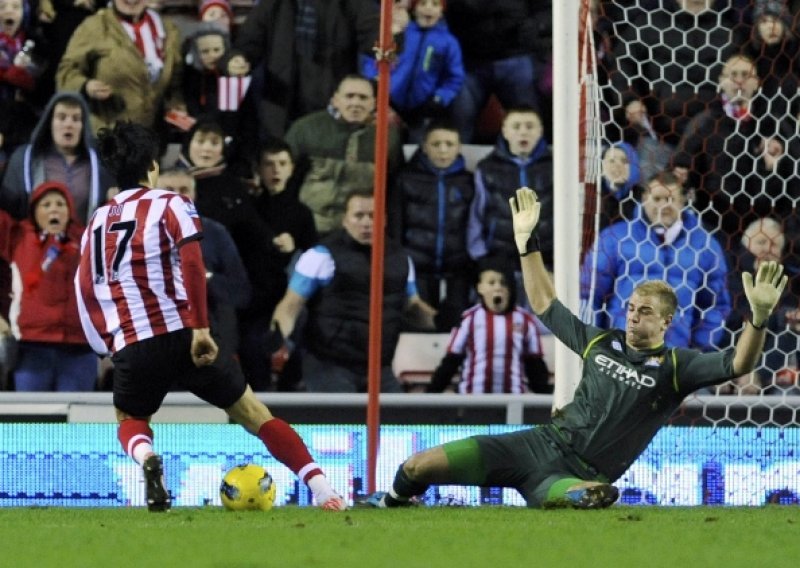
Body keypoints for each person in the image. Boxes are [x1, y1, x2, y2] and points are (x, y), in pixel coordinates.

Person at [366, 186, 787, 509]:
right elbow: (545, 304)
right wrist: (526, 245)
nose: (633, 314)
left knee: (585, 493)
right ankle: (391, 505)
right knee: (416, 466)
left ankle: (576, 496)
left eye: (644, 310)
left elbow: (738, 362)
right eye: (630, 307)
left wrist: (759, 320)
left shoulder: (678, 366)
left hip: (578, 472)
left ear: (666, 320)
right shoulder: (600, 341)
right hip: (534, 444)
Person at [74, 121, 347, 512]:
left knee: (131, 416)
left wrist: (104, 344)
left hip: (133, 340)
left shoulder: (97, 222)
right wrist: (201, 327)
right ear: (152, 166)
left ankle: (147, 458)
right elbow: (190, 261)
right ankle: (324, 490)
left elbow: (84, 286)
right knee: (253, 413)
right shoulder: (172, 203)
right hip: (185, 332)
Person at [268, 189, 437, 393]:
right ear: (345, 220)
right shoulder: (320, 256)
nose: (366, 222)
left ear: (383, 220)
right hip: (329, 365)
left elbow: (413, 306)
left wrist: (440, 319)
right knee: (342, 422)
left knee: (396, 423)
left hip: (379, 368)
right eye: (358, 216)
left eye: (373, 216)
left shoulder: (401, 259)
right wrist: (277, 335)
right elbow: (291, 306)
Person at [581, 171, 731, 352]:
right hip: (621, 353)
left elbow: (715, 306)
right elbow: (588, 295)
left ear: (683, 201)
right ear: (644, 198)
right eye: (657, 198)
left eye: (670, 199)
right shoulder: (615, 238)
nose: (663, 206)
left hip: (675, 358)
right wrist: (595, 345)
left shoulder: (705, 245)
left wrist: (700, 349)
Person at [671, 53, 800, 246]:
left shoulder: (775, 124)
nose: (739, 81)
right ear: (722, 81)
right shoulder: (704, 123)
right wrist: (680, 176)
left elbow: (794, 178)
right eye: (733, 75)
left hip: (765, 228)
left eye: (745, 75)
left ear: (756, 83)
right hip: (715, 227)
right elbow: (679, 168)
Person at [228, 0, 382, 139]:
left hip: (331, 105)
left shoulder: (352, 4)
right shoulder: (274, 4)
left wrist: (392, 37)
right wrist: (236, 59)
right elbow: (247, 44)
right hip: (281, 108)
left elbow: (376, 42)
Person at [0, 180, 97, 391]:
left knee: (79, 421)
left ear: (69, 210)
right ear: (34, 211)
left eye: (60, 204)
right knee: (32, 421)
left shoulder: (87, 239)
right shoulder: (17, 236)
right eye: (46, 205)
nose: (54, 208)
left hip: (79, 348)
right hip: (30, 346)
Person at [239, 138, 317, 392]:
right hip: (254, 300)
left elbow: (313, 257)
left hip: (291, 298)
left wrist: (295, 248)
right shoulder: (247, 208)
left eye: (282, 163)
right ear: (259, 169)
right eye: (269, 164)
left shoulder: (302, 213)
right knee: (252, 347)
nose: (276, 170)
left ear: (292, 168)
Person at [285, 74, 404, 236]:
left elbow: (393, 184)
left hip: (360, 231)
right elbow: (285, 179)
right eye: (349, 96)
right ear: (335, 100)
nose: (355, 103)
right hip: (311, 227)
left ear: (373, 103)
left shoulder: (388, 136)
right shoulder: (305, 129)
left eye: (363, 98)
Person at [158, 168, 251, 360]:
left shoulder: (216, 233)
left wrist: (204, 277)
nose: (176, 197)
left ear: (194, 195)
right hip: (156, 340)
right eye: (168, 190)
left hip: (209, 338)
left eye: (183, 190)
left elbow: (241, 292)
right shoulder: (137, 235)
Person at [56, 0, 184, 137]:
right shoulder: (94, 26)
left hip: (150, 137)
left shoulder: (167, 29)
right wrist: (87, 86)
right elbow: (66, 72)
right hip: (106, 135)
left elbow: (175, 82)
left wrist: (175, 107)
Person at [393, 119, 474, 329]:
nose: (443, 150)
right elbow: (395, 224)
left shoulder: (469, 182)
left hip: (457, 269)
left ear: (459, 147)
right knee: (418, 326)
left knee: (458, 329)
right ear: (425, 147)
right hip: (417, 266)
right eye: (436, 144)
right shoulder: (406, 179)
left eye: (449, 144)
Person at [426, 257, 550, 394]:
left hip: (512, 403)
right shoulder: (469, 319)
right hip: (472, 401)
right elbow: (450, 363)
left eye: (503, 283)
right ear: (480, 288)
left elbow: (535, 367)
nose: (498, 287)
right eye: (491, 283)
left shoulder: (526, 321)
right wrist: (430, 394)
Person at [0, 91, 115, 224]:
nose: (69, 124)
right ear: (49, 123)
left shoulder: (101, 164)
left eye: (76, 119)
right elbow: (7, 211)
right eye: (61, 117)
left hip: (86, 242)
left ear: (84, 125)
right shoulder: (22, 160)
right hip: (35, 242)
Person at [444, 0, 550, 143]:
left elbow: (546, 9)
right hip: (469, 60)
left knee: (529, 124)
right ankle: (453, 164)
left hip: (516, 56)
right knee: (458, 127)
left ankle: (536, 165)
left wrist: (535, 26)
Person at [361, 0, 464, 143]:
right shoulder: (400, 32)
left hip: (423, 107)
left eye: (434, 4)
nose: (428, 9)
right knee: (385, 143)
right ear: (414, 10)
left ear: (441, 12)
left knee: (417, 145)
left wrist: (439, 98)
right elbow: (373, 56)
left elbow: (454, 78)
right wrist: (373, 78)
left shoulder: (448, 42)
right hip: (389, 102)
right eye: (423, 4)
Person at [723, 217, 800, 395]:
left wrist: (758, 373)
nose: (767, 249)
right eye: (761, 242)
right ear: (745, 245)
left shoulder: (792, 283)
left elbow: (788, 326)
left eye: (774, 245)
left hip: (773, 369)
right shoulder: (728, 274)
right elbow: (726, 321)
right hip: (725, 361)